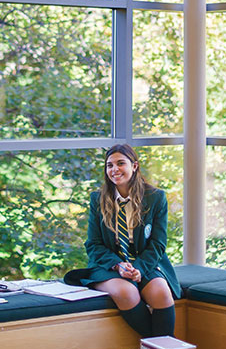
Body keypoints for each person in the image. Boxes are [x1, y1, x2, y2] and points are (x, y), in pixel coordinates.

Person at [77, 144, 181, 338]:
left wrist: (139, 268)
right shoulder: (98, 199)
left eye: (120, 163)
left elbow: (158, 243)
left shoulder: (156, 198)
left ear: (134, 166)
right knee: (126, 292)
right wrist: (118, 266)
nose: (114, 169)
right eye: (109, 165)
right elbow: (93, 245)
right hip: (109, 264)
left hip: (144, 261)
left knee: (161, 292)